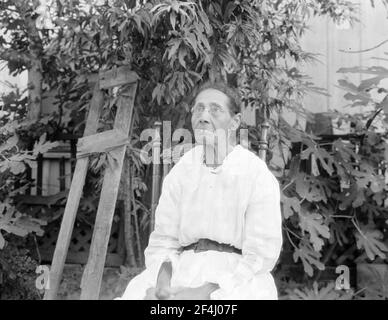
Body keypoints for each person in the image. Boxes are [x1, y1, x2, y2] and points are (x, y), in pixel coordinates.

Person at [118, 81, 283, 300]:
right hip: (182, 269)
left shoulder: (255, 174)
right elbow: (165, 240)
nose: (204, 116)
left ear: (234, 122)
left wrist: (202, 294)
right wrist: (162, 284)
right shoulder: (182, 171)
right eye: (199, 108)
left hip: (236, 278)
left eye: (215, 109)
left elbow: (261, 254)